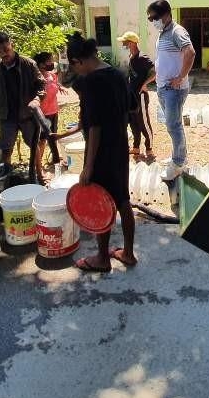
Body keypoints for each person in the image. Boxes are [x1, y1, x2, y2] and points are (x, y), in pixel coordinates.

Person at [61, 33, 136, 273]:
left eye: (73, 66)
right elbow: (132, 106)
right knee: (123, 199)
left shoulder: (92, 81)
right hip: (120, 146)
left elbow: (95, 126)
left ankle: (102, 258)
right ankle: (128, 253)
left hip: (101, 151)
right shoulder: (117, 73)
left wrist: (88, 166)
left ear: (78, 61)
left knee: (99, 200)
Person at [0, 32, 46, 173]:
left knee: (33, 145)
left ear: (12, 45)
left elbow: (41, 84)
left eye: (6, 50)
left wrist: (37, 98)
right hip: (6, 116)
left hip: (27, 114)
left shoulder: (29, 64)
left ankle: (39, 173)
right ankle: (7, 177)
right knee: (6, 149)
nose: (3, 54)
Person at [147, 0, 194, 181]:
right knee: (174, 125)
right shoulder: (163, 33)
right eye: (150, 18)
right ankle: (179, 156)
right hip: (163, 87)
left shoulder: (177, 31)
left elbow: (190, 53)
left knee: (173, 126)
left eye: (155, 17)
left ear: (166, 14)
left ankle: (178, 164)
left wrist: (181, 77)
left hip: (174, 89)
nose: (152, 21)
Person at [117, 31, 155, 161]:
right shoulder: (132, 57)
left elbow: (155, 71)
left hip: (141, 96)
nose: (123, 44)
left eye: (125, 42)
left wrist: (145, 84)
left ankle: (149, 148)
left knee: (143, 122)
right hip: (131, 96)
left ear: (132, 43)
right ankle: (136, 147)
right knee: (133, 122)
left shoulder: (142, 57)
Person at [33, 51, 67, 181]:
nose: (52, 63)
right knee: (41, 140)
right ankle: (39, 165)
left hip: (53, 111)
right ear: (41, 64)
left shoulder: (51, 74)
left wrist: (60, 87)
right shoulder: (36, 78)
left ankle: (56, 159)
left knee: (53, 136)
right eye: (49, 61)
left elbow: (55, 83)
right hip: (41, 114)